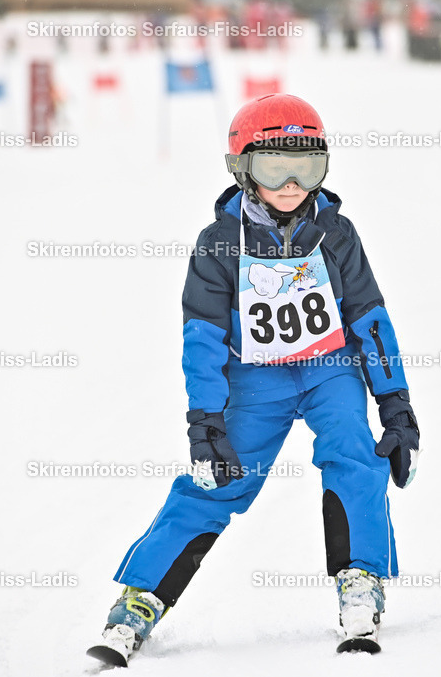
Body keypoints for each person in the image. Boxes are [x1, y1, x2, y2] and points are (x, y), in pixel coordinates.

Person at [87, 94, 421, 666]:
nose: (292, 184)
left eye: (307, 168)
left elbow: (369, 318)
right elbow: (203, 340)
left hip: (329, 369)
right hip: (255, 380)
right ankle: (141, 600)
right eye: (274, 168)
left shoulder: (336, 234)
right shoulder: (219, 244)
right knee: (219, 478)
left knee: (355, 454)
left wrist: (395, 403)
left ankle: (360, 581)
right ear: (243, 169)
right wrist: (205, 423)